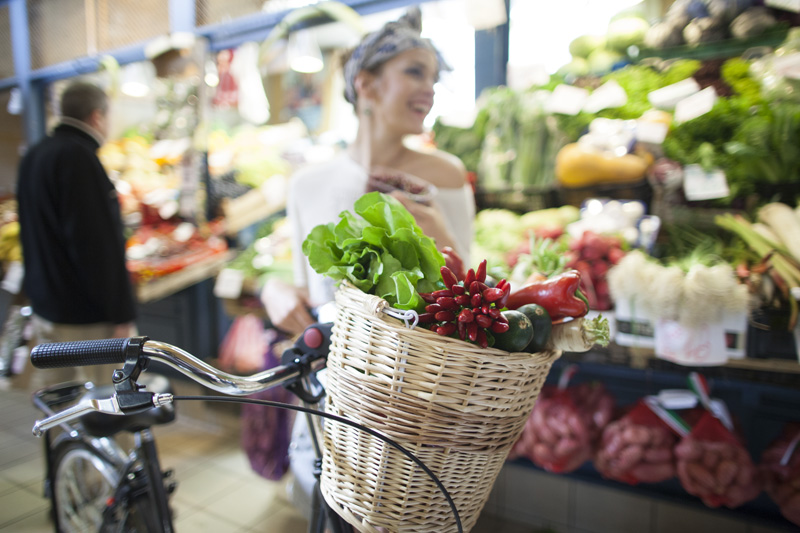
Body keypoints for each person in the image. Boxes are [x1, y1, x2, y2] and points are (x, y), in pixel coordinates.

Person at [259, 7, 475, 519]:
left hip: (417, 391)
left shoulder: (444, 176)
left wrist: (438, 230)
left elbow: (470, 291)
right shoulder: (308, 183)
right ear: (368, 86)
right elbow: (302, 284)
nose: (429, 89)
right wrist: (274, 292)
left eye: (434, 77)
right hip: (329, 382)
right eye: (414, 72)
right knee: (330, 506)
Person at [17, 80, 137, 386]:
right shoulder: (79, 158)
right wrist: (121, 314)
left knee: (59, 401)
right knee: (114, 401)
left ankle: (62, 437)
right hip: (85, 315)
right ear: (97, 117)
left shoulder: (35, 154)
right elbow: (95, 246)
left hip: (47, 306)